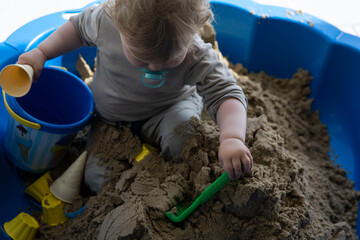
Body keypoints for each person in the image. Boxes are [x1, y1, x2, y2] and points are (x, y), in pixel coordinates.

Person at [16, 0, 253, 194]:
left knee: (185, 139)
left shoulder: (196, 54)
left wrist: (232, 138)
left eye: (169, 58)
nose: (155, 67)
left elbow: (226, 93)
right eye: (142, 57)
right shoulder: (106, 22)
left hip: (167, 110)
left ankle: (174, 184)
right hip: (110, 122)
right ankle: (136, 193)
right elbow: (77, 28)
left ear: (195, 28)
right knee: (96, 179)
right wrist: (42, 52)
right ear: (118, 24)